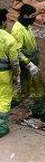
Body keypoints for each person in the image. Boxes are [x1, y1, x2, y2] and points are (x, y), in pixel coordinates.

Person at [11, 3, 45, 122]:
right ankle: (4, 108)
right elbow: (17, 51)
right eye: (32, 16)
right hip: (27, 66)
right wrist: (29, 65)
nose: (34, 18)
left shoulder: (26, 26)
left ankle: (38, 112)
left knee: (39, 88)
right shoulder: (17, 30)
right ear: (25, 15)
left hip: (33, 64)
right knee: (24, 92)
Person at [0, 9, 20, 137]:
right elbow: (14, 61)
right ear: (2, 22)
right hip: (4, 74)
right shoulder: (9, 39)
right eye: (7, 19)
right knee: (4, 99)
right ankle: (1, 127)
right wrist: (16, 74)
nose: (8, 21)